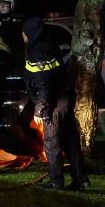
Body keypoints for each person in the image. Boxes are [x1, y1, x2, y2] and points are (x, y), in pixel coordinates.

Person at [21, 17, 90, 190]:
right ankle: (81, 179)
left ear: (30, 33)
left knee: (52, 143)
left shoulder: (37, 52)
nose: (22, 35)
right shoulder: (49, 46)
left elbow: (43, 83)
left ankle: (56, 181)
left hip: (53, 103)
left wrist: (40, 109)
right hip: (65, 97)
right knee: (70, 141)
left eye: (24, 32)